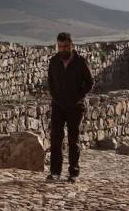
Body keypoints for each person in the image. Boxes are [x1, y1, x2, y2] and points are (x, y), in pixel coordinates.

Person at [46, 32, 93, 183]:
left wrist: (77, 97)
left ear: (71, 45)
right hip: (58, 106)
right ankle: (55, 172)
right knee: (56, 139)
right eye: (60, 46)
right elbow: (51, 81)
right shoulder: (54, 61)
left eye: (65, 46)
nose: (63, 49)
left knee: (74, 140)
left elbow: (90, 82)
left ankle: (73, 172)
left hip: (75, 107)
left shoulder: (80, 62)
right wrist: (55, 96)